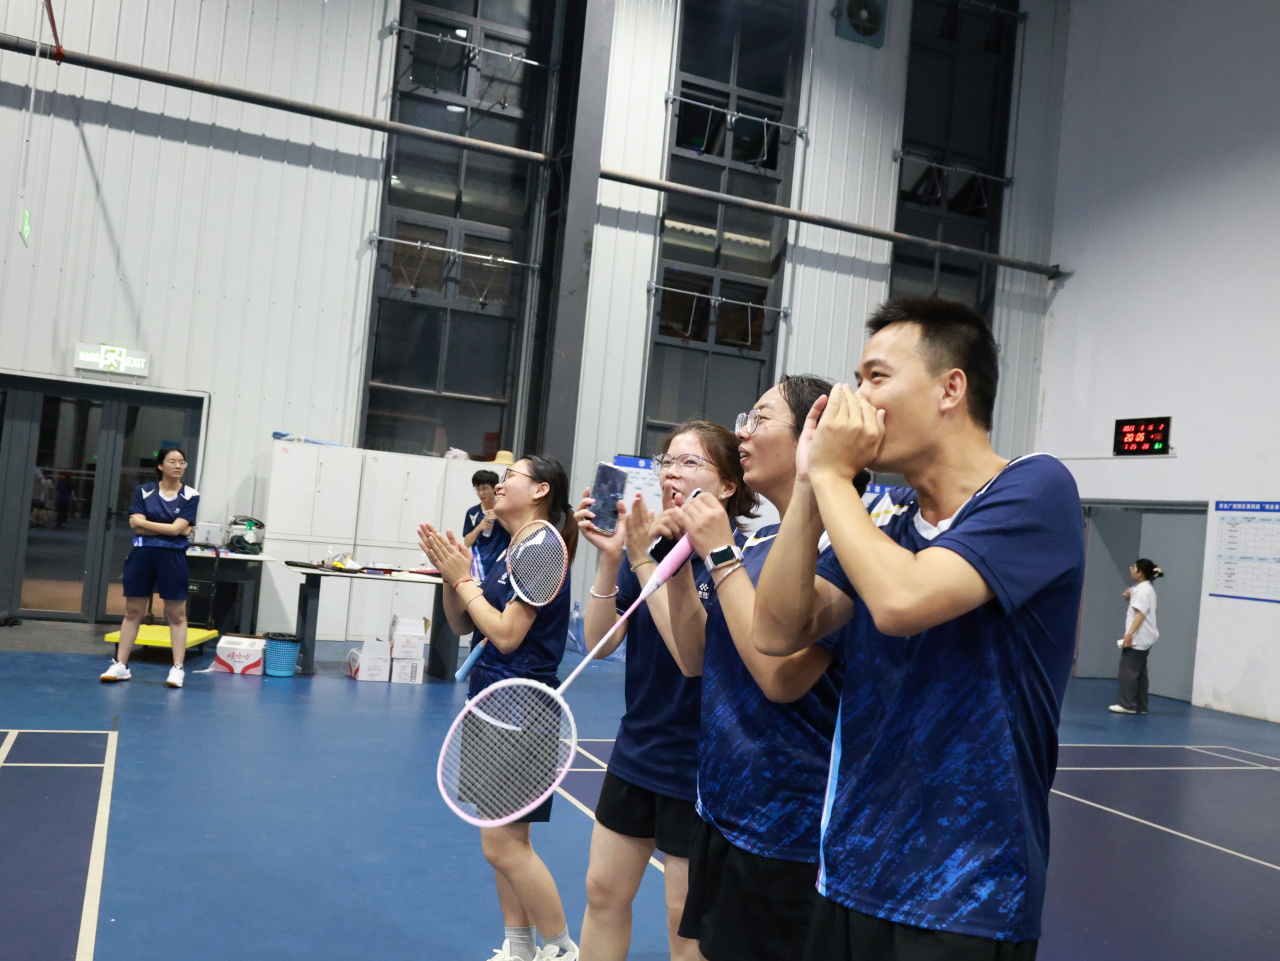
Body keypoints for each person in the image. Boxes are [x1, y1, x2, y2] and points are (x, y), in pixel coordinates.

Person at [755, 297, 1086, 960]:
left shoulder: (1036, 488)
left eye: (876, 377)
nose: (854, 399)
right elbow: (778, 629)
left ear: (950, 389)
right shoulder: (888, 522)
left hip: (966, 896)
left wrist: (832, 475)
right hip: (851, 874)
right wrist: (810, 489)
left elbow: (902, 600)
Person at [652, 377, 860, 961]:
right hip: (721, 807)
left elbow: (779, 677)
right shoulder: (762, 541)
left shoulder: (842, 549)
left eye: (761, 419)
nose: (741, 433)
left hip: (786, 828)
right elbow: (695, 659)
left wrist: (718, 552)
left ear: (810, 436)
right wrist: (681, 566)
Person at [573, 420, 755, 961]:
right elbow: (600, 643)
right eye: (667, 461)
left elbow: (692, 658)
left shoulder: (737, 559)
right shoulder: (650, 545)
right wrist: (612, 559)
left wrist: (641, 559)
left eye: (690, 462)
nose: (672, 473)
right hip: (638, 749)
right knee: (602, 891)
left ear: (728, 485)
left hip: (697, 765)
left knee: (683, 920)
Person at [419, 455, 580, 961]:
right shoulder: (513, 545)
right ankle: (520, 948)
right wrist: (452, 578)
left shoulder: (543, 547)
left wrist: (465, 582)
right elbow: (465, 624)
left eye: (512, 476)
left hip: (521, 715)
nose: (501, 483)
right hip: (490, 707)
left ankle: (562, 949)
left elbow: (507, 636)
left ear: (541, 490)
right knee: (506, 847)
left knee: (504, 846)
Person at [100, 448, 199, 688]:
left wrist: (153, 525)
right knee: (133, 612)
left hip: (173, 557)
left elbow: (172, 529)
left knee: (176, 615)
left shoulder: (190, 495)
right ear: (160, 466)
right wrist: (174, 529)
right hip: (142, 555)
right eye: (172, 461)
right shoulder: (143, 491)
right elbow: (138, 527)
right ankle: (121, 665)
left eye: (182, 462)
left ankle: (177, 668)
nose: (178, 466)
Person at [1110, 558, 1162, 715]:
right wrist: (1129, 595)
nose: (1130, 569)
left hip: (1138, 637)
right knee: (1140, 672)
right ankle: (1141, 705)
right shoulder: (1144, 588)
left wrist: (1129, 634)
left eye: (1133, 567)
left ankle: (1128, 704)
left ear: (1140, 573)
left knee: (1128, 671)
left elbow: (1140, 614)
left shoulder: (1142, 591)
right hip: (1145, 637)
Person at [463, 469, 511, 581]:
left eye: (484, 488)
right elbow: (466, 543)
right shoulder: (472, 512)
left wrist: (499, 519)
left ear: (494, 488)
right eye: (477, 489)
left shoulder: (505, 510)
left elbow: (516, 532)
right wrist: (479, 528)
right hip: (480, 565)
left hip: (502, 563)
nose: (481, 493)